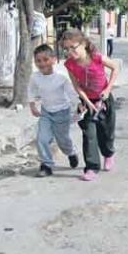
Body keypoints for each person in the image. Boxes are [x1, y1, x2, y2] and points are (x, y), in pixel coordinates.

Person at [61, 29, 120, 181]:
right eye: (66, 49)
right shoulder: (69, 64)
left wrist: (107, 90)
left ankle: (108, 154)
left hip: (104, 99)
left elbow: (115, 68)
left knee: (106, 132)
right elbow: (77, 86)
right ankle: (92, 167)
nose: (70, 52)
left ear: (84, 44)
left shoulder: (97, 57)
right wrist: (87, 102)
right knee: (89, 134)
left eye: (73, 47)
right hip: (86, 102)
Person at [28, 44, 80, 177]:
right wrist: (32, 105)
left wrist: (78, 107)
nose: (42, 63)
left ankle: (71, 152)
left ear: (54, 59)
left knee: (63, 140)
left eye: (45, 59)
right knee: (42, 138)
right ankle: (46, 165)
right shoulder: (35, 77)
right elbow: (31, 90)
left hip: (62, 112)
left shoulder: (61, 76)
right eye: (38, 61)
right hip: (46, 112)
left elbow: (71, 93)